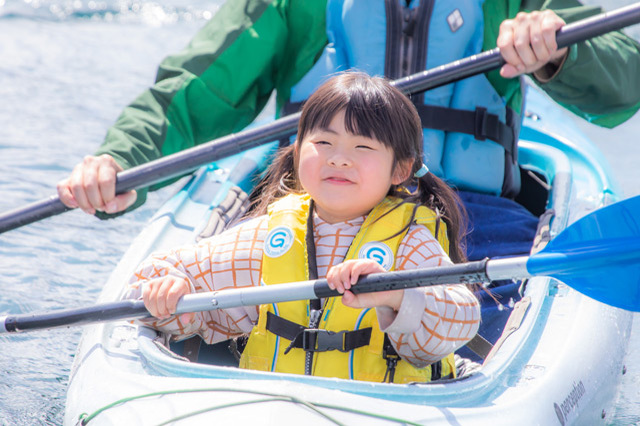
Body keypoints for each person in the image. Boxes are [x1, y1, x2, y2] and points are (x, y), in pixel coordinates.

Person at [56, 0, 640, 260]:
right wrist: (119, 159)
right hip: (307, 212)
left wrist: (557, 49)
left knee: (476, 315)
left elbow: (624, 76)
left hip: (468, 222)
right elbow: (196, 93)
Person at [125, 72, 480, 383]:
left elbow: (460, 318)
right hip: (273, 407)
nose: (339, 157)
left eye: (362, 146)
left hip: (378, 410)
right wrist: (169, 293)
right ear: (297, 152)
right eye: (323, 142)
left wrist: (396, 297)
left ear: (400, 170)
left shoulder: (410, 243)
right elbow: (166, 283)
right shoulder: (267, 237)